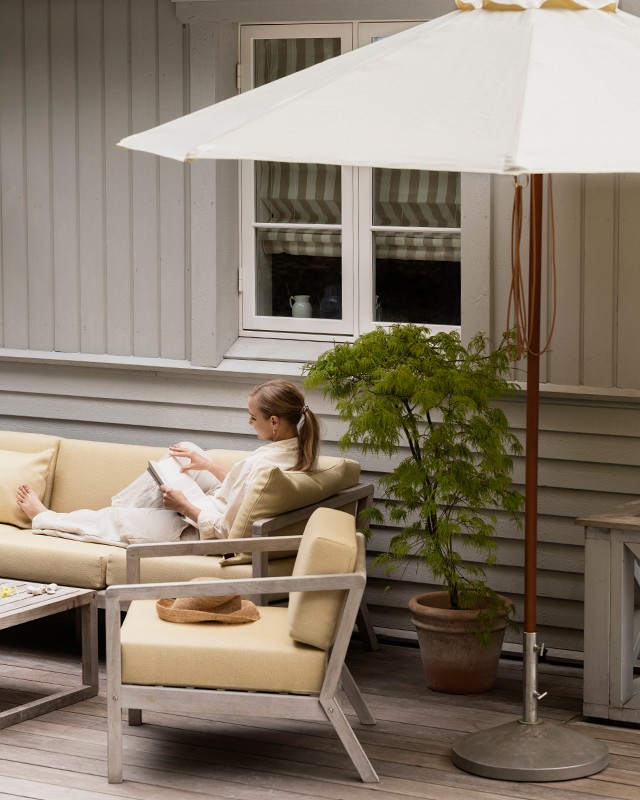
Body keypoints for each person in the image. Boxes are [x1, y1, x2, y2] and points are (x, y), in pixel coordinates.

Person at [15, 380, 320, 545]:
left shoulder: (263, 465)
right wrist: (207, 465)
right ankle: (126, 514)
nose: (249, 423)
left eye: (253, 418)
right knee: (184, 450)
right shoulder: (290, 451)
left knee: (113, 518)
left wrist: (185, 506)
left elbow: (227, 533)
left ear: (275, 422)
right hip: (216, 506)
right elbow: (250, 491)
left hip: (201, 530)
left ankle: (49, 517)